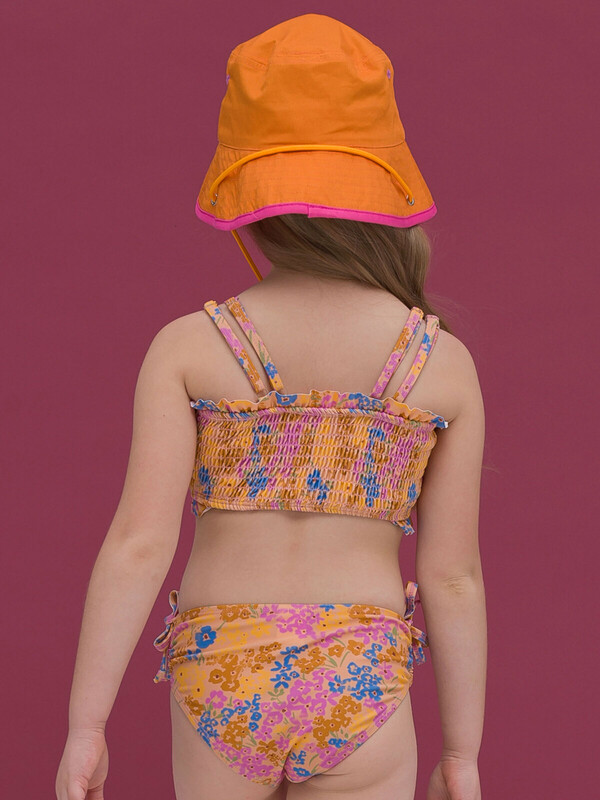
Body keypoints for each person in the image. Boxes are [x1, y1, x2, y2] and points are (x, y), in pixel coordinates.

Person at [55, 13, 486, 800]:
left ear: (247, 193)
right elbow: (452, 576)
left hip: (222, 668)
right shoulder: (439, 363)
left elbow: (138, 546)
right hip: (360, 671)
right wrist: (462, 752)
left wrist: (87, 723)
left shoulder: (191, 346)